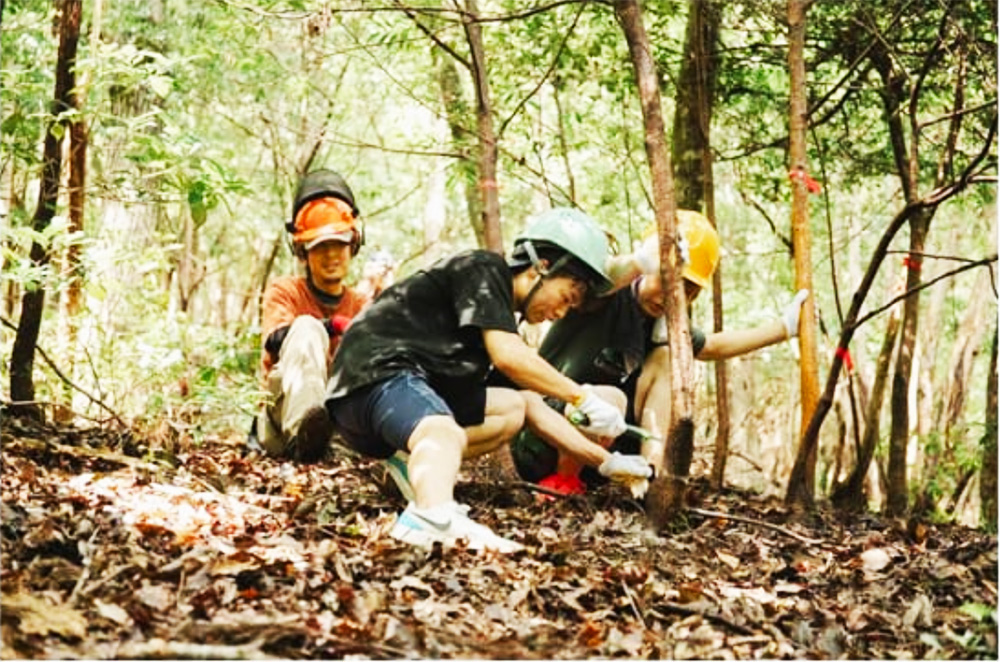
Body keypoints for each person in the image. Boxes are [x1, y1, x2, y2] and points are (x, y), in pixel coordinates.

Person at [324, 208, 653, 552]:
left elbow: (534, 409)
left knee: (512, 408)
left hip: (393, 402)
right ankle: (431, 517)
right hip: (370, 378)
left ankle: (414, 466)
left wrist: (607, 463)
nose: (560, 313)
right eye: (566, 298)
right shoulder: (483, 269)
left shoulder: (495, 320)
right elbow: (510, 356)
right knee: (442, 431)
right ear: (542, 265)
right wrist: (580, 397)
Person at [509, 210, 810, 493]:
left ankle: (649, 478)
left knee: (667, 358)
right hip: (542, 435)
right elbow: (605, 278)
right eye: (665, 282)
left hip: (602, 454)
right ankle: (562, 483)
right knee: (610, 399)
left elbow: (713, 346)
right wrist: (640, 261)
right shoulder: (603, 296)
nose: (671, 298)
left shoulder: (664, 326)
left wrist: (784, 328)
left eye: (688, 291)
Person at [257, 169, 368, 463]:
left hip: (342, 422)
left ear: (353, 245)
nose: (332, 255)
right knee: (305, 327)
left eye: (339, 245)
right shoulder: (286, 291)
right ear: (303, 252)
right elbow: (275, 339)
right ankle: (304, 437)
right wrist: (332, 325)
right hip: (282, 420)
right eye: (321, 247)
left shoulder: (362, 304)